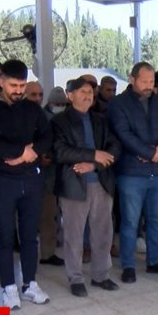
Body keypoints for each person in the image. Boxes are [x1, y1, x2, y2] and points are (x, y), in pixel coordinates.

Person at [0, 59, 53, 309]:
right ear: (1, 82)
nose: (18, 91)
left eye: (22, 86)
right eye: (13, 86)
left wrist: (31, 153)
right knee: (5, 236)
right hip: (1, 181)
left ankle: (30, 284)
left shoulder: (31, 108)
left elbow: (47, 135)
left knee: (29, 235)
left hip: (30, 179)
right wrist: (20, 151)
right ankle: (8, 287)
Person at [107, 62, 158, 283]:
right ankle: (128, 265)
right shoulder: (118, 104)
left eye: (151, 81)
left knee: (157, 220)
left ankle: (155, 261)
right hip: (131, 173)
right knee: (130, 222)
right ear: (132, 79)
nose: (149, 86)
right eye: (144, 81)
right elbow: (123, 134)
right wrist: (149, 153)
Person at [51, 77, 122, 296]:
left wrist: (94, 164)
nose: (88, 96)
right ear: (70, 95)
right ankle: (75, 278)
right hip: (74, 185)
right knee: (74, 235)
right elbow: (60, 151)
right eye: (82, 92)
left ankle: (101, 275)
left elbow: (115, 146)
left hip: (101, 182)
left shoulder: (100, 119)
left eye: (90, 92)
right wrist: (93, 154)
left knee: (103, 233)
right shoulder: (59, 121)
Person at [39, 86, 69, 267]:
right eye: (56, 104)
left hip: (66, 174)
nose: (59, 107)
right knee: (48, 217)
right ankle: (47, 253)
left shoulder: (69, 118)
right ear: (49, 103)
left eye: (62, 104)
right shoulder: (41, 118)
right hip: (47, 176)